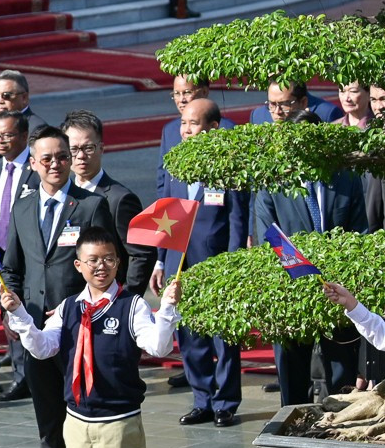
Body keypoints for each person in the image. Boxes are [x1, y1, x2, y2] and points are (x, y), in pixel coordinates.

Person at [1, 229, 181, 448]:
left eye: (110, 259)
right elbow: (41, 347)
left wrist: (168, 308)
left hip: (119, 421)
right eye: (94, 260)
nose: (102, 266)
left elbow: (159, 347)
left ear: (119, 263)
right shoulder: (69, 307)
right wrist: (19, 314)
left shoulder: (132, 305)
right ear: (79, 265)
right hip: (78, 421)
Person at [0, 126, 115, 448]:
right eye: (45, 158)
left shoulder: (90, 206)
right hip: (36, 332)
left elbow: (107, 264)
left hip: (80, 330)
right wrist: (11, 308)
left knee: (87, 416)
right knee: (48, 417)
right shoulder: (24, 207)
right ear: (32, 164)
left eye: (61, 156)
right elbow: (11, 266)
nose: (54, 164)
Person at [162, 99, 249, 428]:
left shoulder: (228, 167)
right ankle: (202, 399)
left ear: (213, 127)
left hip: (218, 266)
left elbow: (238, 221)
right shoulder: (175, 165)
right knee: (190, 337)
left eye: (193, 124)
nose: (186, 130)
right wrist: (162, 261)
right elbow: (166, 214)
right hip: (181, 265)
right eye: (183, 123)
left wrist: (234, 263)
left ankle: (225, 402)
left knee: (223, 339)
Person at [255, 152, 367, 408]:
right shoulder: (273, 182)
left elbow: (360, 234)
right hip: (290, 292)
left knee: (341, 377)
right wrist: (302, 277)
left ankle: (340, 429)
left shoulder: (346, 179)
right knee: (293, 375)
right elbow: (268, 239)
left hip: (337, 292)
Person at [63, 110, 154, 292]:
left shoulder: (120, 199)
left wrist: (124, 301)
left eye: (88, 148)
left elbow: (142, 255)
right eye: (73, 149)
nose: (81, 156)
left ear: (102, 148)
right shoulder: (61, 195)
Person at [0, 112, 35, 399]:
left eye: (7, 135)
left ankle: (36, 373)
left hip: (29, 254)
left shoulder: (35, 170)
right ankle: (21, 375)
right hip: (0, 254)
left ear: (24, 137)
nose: (0, 141)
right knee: (8, 310)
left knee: (30, 311)